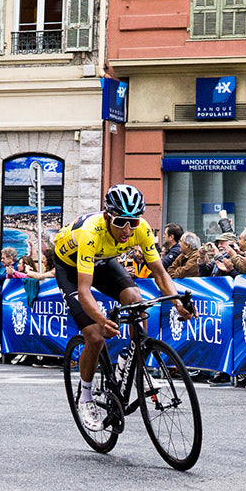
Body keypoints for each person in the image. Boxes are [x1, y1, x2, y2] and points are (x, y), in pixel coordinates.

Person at [54, 184, 195, 431]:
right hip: (71, 267)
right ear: (108, 217)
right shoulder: (91, 232)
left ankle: (133, 359)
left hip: (103, 261)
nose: (127, 229)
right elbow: (85, 290)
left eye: (133, 221)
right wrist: (101, 318)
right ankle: (85, 397)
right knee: (96, 335)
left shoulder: (140, 230)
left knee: (136, 301)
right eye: (121, 222)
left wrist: (176, 301)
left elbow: (160, 273)